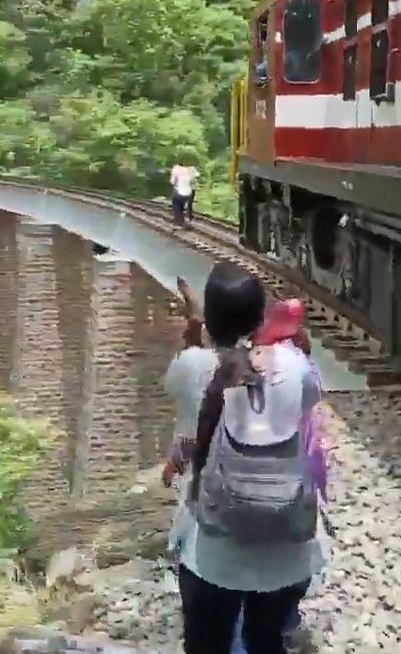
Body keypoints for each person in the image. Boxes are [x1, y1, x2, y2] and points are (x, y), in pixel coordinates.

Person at [163, 263, 324, 654]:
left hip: (215, 556)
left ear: (209, 321)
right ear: (261, 317)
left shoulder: (191, 367)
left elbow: (188, 434)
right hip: (288, 549)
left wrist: (192, 341)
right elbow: (306, 408)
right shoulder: (296, 366)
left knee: (208, 643)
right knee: (266, 642)